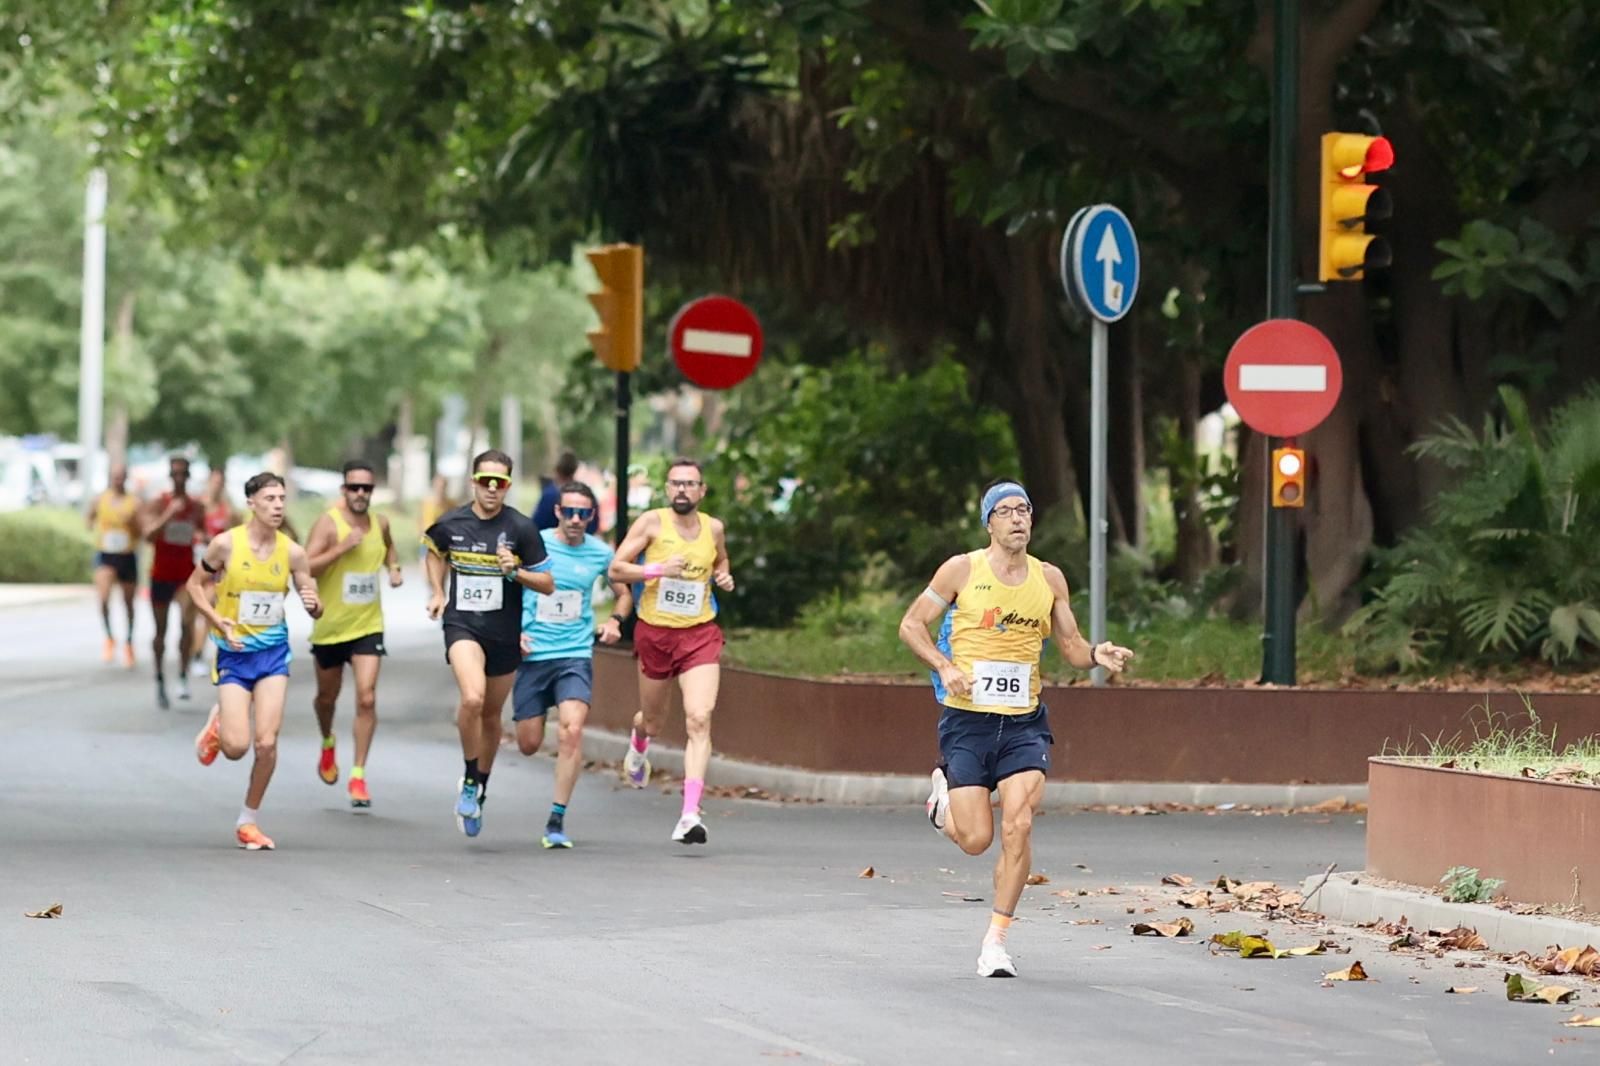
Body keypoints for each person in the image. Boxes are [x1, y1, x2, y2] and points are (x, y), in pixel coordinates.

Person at [897, 480, 1134, 978]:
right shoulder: (962, 569)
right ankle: (942, 807)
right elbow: (911, 625)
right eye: (1005, 511)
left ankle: (995, 942)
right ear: (989, 523)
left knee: (1019, 824)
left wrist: (1096, 654)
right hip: (967, 722)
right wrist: (944, 666)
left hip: (1024, 722)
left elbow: (1070, 645)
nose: (1017, 518)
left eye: (1023, 509)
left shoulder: (1049, 579)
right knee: (976, 839)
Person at [423, 449, 554, 837]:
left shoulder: (521, 528)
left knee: (492, 715)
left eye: (500, 483)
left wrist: (516, 572)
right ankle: (468, 778)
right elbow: (434, 552)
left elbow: (548, 584)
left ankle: (481, 784)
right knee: (473, 698)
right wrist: (437, 592)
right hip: (462, 625)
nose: (492, 489)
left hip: (504, 634)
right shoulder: (451, 522)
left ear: (508, 486)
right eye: (485, 481)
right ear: (473, 482)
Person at [189, 472, 322, 850]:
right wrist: (216, 619)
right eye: (269, 499)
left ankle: (248, 820)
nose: (278, 506)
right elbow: (194, 585)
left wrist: (314, 603)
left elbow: (313, 600)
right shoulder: (225, 545)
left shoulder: (293, 552)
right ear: (251, 503)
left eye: (281, 498)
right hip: (234, 655)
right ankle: (219, 724)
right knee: (236, 748)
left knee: (266, 743)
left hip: (273, 655)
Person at [608, 458, 735, 845]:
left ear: (702, 491)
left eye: (690, 483)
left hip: (699, 634)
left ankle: (689, 814)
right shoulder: (651, 523)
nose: (682, 489)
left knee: (699, 718)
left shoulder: (713, 528)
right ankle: (639, 742)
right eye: (676, 483)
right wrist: (656, 570)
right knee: (653, 721)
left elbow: (721, 558)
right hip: (656, 634)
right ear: (667, 489)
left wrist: (723, 573)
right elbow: (616, 569)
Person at [514, 481, 632, 848]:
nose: (576, 519)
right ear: (558, 512)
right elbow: (508, 586)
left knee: (572, 730)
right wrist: (512, 632)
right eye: (570, 512)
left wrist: (615, 622)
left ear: (592, 516)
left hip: (574, 655)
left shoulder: (600, 553)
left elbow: (624, 593)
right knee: (529, 744)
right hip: (533, 655)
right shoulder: (534, 544)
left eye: (583, 513)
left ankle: (556, 818)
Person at [304, 460, 403, 809]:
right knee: (326, 698)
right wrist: (341, 548)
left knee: (367, 698)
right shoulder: (328, 524)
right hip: (331, 627)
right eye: (354, 487)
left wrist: (394, 568)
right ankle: (327, 741)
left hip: (368, 626)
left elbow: (389, 547)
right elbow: (305, 566)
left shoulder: (381, 522)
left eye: (367, 488)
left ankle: (358, 774)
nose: (361, 493)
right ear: (343, 490)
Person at [143, 456, 206, 708]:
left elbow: (201, 533)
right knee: (161, 631)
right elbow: (148, 536)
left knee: (187, 624)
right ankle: (159, 678)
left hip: (185, 574)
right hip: (161, 574)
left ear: (188, 476)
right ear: (170, 476)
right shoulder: (158, 503)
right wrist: (169, 514)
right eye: (175, 473)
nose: (179, 478)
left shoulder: (197, 506)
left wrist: (202, 537)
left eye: (183, 474)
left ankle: (182, 675)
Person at [87, 463, 141, 667]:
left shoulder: (134, 502)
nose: (118, 480)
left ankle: (129, 642)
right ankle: (109, 637)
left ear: (126, 478)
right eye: (115, 477)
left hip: (127, 555)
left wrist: (132, 522)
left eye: (121, 477)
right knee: (103, 599)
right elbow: (88, 520)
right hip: (106, 554)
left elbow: (141, 531)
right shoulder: (100, 499)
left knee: (128, 603)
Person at [192, 467, 240, 675]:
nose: (217, 486)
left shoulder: (228, 511)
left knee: (207, 610)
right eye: (214, 482)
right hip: (195, 564)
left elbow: (238, 536)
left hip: (216, 570)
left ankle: (199, 655)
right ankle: (193, 652)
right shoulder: (198, 507)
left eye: (220, 483)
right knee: (193, 614)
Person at [532, 451, 597, 533]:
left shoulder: (549, 495)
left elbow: (536, 524)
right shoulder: (586, 496)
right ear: (575, 470)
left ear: (557, 470)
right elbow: (593, 526)